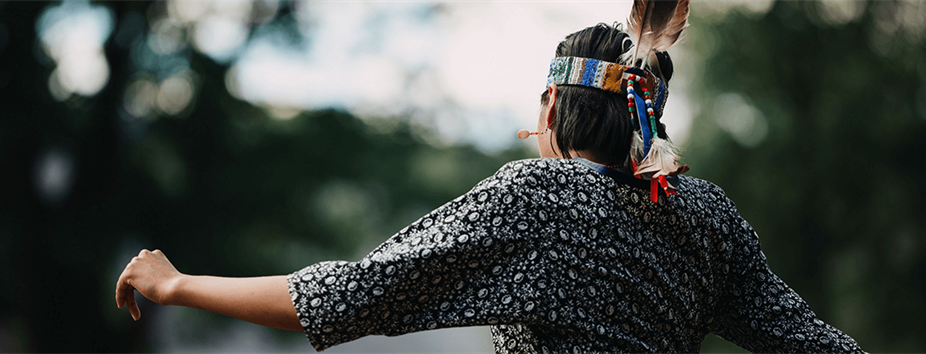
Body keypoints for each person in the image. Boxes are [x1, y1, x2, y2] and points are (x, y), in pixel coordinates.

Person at [116, 19, 866, 354]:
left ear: (550, 108)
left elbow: (345, 297)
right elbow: (808, 344)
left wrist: (178, 284)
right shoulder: (703, 211)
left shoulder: (537, 196)